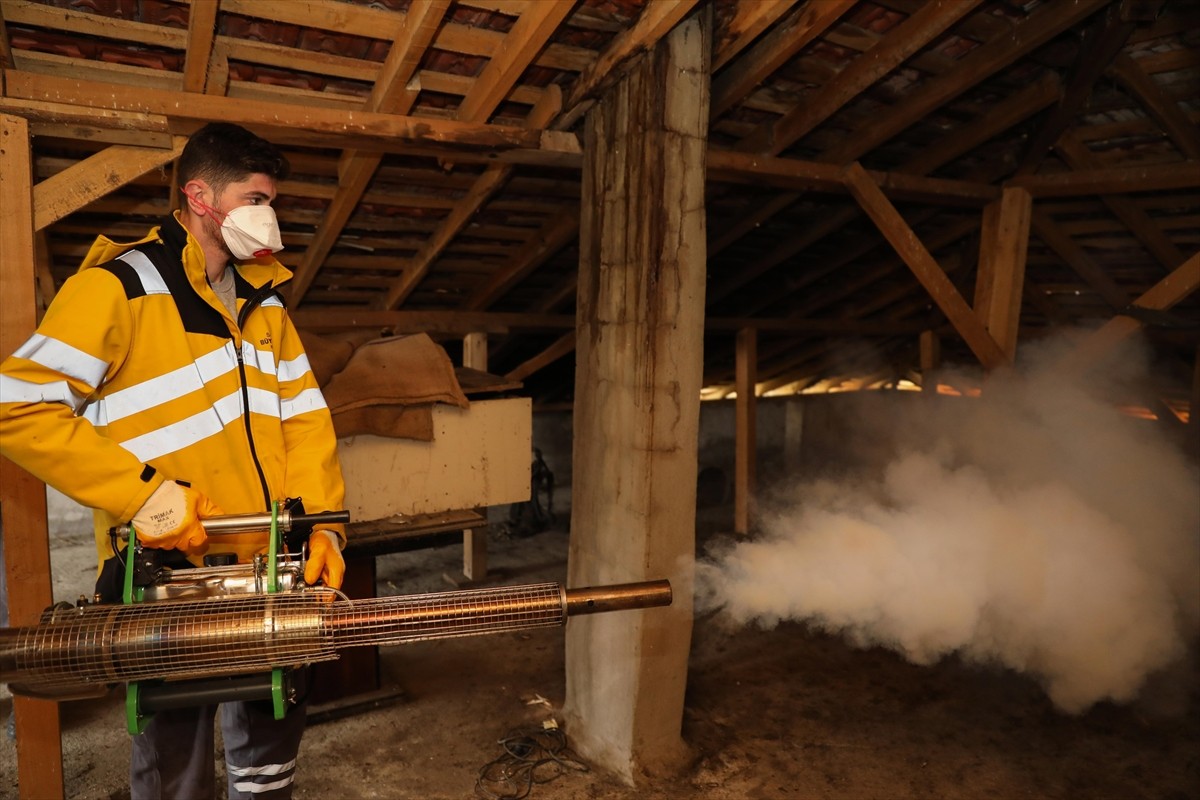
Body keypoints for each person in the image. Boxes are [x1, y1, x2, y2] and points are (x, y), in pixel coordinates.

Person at [0, 122, 346, 799]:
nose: (266, 216)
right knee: (174, 772)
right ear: (199, 195)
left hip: (273, 570)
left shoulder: (264, 303)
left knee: (269, 763)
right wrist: (146, 500)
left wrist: (324, 527)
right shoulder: (115, 289)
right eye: (253, 198)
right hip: (168, 577)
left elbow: (307, 424)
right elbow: (16, 407)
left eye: (270, 200)